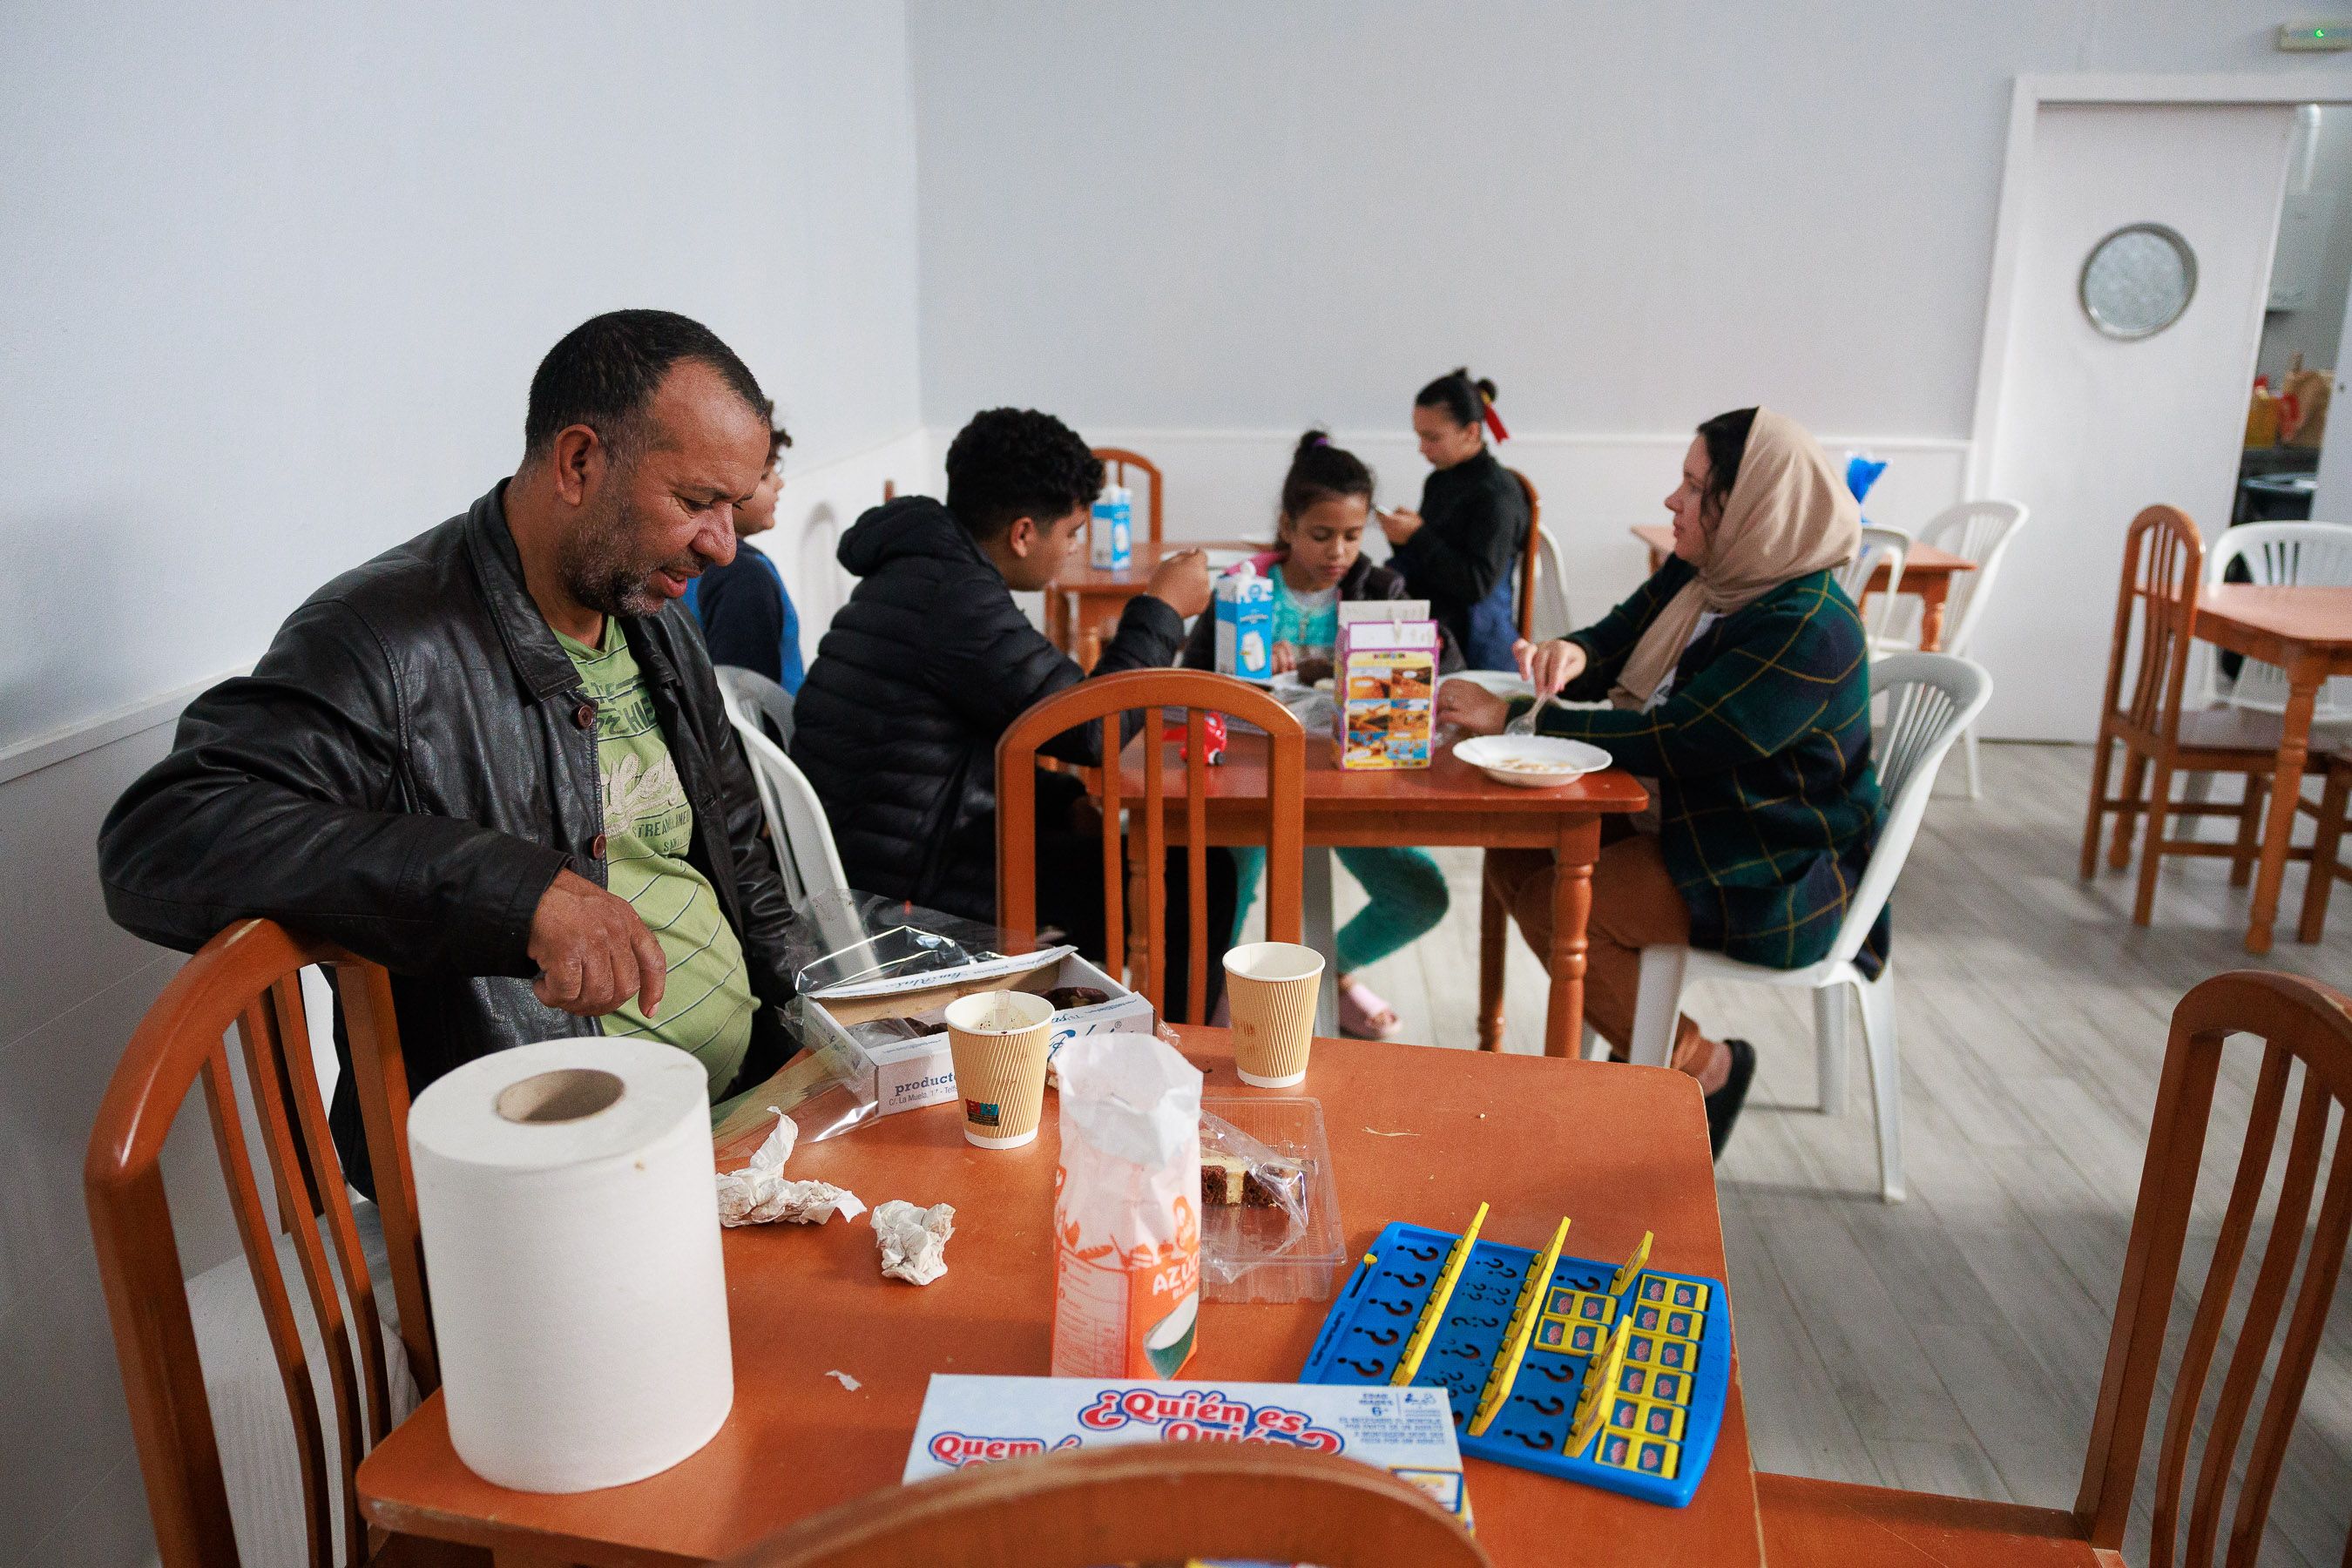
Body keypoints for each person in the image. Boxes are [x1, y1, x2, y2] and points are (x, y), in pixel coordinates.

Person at [98, 309, 804, 1190]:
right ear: (580, 462)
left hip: (751, 1116)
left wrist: (824, 1023)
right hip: (558, 1176)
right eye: (697, 502)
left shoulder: (648, 613)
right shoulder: (386, 640)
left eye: (733, 508)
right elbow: (163, 836)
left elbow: (739, 854)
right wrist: (517, 892)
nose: (723, 544)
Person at [1435, 407, 1882, 1157]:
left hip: (1771, 861)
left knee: (1566, 906)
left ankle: (1704, 1068)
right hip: (1693, 817)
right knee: (1516, 850)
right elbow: (1615, 637)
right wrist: (1569, 655)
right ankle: (1637, 1048)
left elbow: (1680, 738)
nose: (1673, 501)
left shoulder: (1808, 624)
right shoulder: (1710, 571)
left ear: (1750, 509)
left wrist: (1517, 715)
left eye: (1693, 486)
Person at [790, 408, 1234, 1017]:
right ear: (1024, 533)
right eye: (1072, 532)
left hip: (894, 850)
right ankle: (1188, 1052)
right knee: (1196, 877)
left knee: (1152, 850)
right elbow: (1092, 730)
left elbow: (982, 736)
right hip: (908, 893)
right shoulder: (957, 598)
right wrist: (1160, 608)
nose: (1074, 548)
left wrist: (1057, 800)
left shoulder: (927, 569)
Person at [1180, 429, 1456, 1039]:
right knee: (1229, 891)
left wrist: (1336, 667)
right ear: (1287, 525)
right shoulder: (1243, 586)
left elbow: (1441, 669)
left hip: (1349, 779)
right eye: (1321, 534)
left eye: (1353, 537)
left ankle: (1330, 974)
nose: (1338, 552)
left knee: (1419, 894)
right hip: (1249, 783)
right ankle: (1220, 1007)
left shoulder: (1380, 589)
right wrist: (1247, 670)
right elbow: (1191, 681)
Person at [1380, 368, 1530, 671]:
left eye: (1432, 438)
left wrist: (1417, 536)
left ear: (1471, 432)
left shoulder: (1497, 495)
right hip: (1437, 620)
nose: (1422, 448)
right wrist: (1403, 539)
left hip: (1474, 640)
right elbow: (1430, 566)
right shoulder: (1438, 480)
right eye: (1420, 436)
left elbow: (1477, 585)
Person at [683, 409, 806, 694]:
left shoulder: (687, 561)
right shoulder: (743, 579)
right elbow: (749, 703)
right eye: (763, 476)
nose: (779, 483)